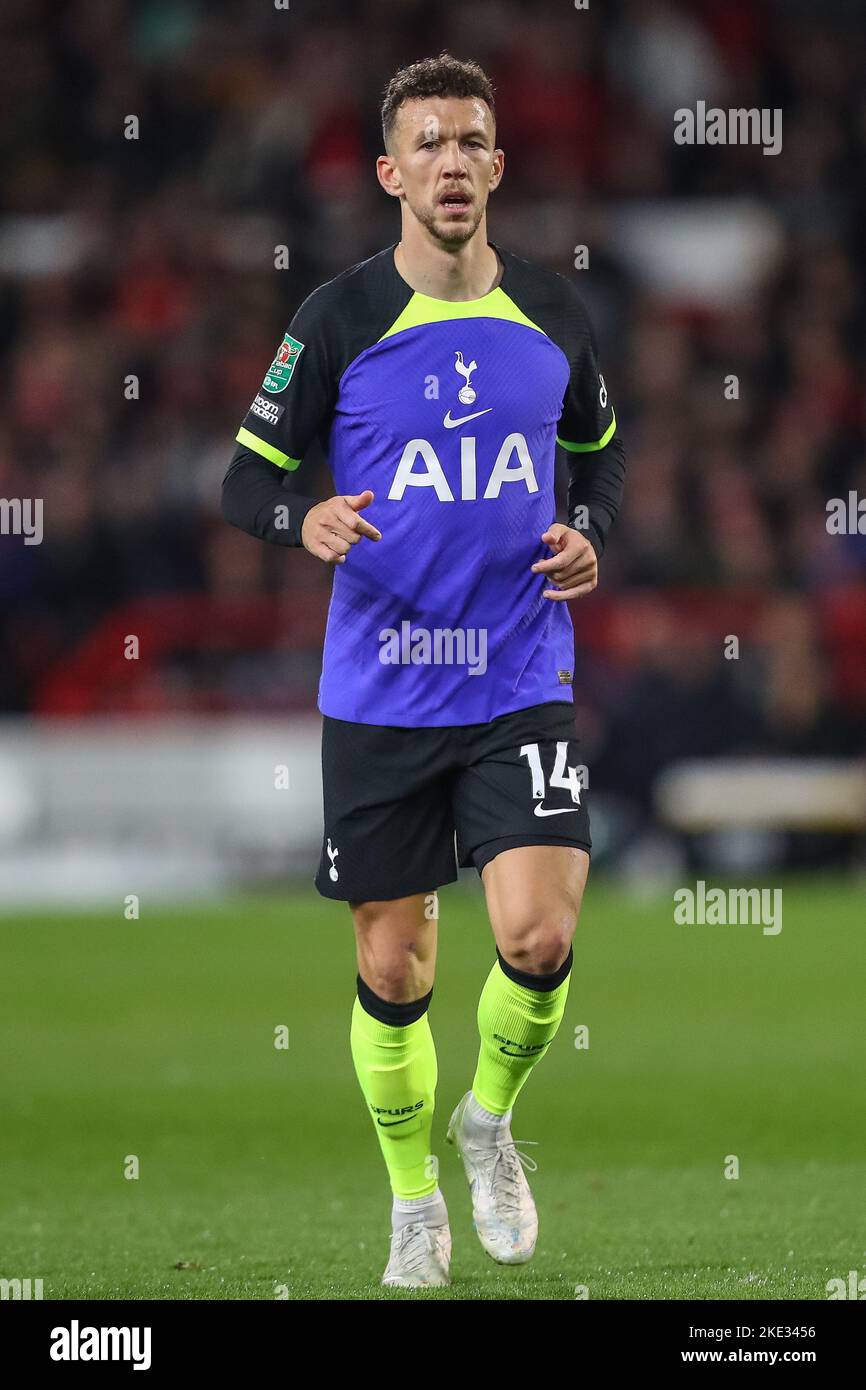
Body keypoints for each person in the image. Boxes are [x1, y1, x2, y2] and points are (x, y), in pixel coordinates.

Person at [221, 51, 626, 1289]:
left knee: (541, 936)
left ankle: (489, 1121)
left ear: (496, 167)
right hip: (385, 688)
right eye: (428, 145)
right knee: (392, 968)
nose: (452, 163)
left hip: (518, 676)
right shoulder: (336, 318)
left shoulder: (555, 313)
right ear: (390, 173)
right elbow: (245, 482)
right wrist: (307, 520)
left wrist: (589, 533)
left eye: (471, 143)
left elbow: (600, 458)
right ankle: (411, 1203)